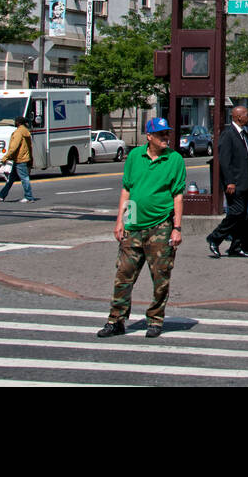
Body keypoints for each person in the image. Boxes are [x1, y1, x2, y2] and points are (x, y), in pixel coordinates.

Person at [98, 117, 185, 339]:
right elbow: (127, 189)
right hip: (134, 225)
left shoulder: (174, 159)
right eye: (161, 134)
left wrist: (177, 227)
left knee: (160, 276)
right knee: (123, 274)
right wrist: (121, 221)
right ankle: (116, 319)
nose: (166, 137)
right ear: (149, 136)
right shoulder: (135, 156)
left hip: (160, 226)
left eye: (167, 133)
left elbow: (178, 195)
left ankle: (155, 319)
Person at [206, 105, 248, 258]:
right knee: (236, 212)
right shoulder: (228, 134)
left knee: (242, 216)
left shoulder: (244, 134)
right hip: (235, 183)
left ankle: (236, 246)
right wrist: (230, 182)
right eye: (247, 114)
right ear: (238, 117)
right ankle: (215, 237)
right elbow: (224, 161)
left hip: (246, 182)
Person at [0, 115, 36, 202]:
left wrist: (5, 157)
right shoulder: (26, 131)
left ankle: (29, 197)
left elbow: (14, 147)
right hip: (22, 158)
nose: (15, 123)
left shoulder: (18, 133)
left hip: (20, 159)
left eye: (16, 121)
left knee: (24, 178)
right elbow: (30, 147)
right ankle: (2, 195)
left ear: (18, 123)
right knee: (11, 179)